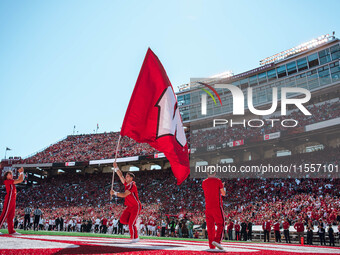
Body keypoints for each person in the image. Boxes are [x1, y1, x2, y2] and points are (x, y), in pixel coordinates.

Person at [111, 161, 142, 242]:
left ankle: (134, 238)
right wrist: (116, 167)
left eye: (128, 176)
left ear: (131, 178)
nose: (126, 177)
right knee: (122, 220)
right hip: (129, 206)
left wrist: (115, 193)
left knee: (131, 223)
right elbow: (120, 175)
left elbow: (124, 195)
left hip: (135, 206)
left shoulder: (132, 185)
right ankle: (134, 223)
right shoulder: (126, 184)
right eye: (126, 176)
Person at [202, 171, 226, 251]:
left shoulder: (204, 182)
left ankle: (211, 246)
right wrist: (222, 186)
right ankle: (217, 241)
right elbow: (223, 193)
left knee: (210, 226)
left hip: (208, 207)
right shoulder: (218, 181)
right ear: (215, 173)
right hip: (216, 206)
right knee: (221, 224)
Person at [0, 167, 24, 235]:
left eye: (11, 174)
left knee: (11, 215)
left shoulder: (11, 181)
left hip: (13, 199)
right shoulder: (7, 181)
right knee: (5, 214)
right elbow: (20, 180)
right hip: (9, 199)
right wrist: (21, 173)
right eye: (10, 174)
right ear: (6, 176)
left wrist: (21, 173)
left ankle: (11, 231)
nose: (11, 175)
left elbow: (20, 179)